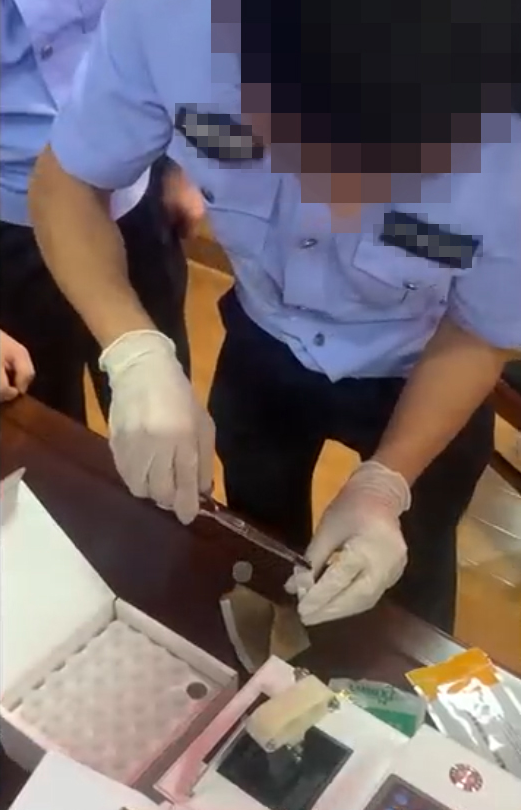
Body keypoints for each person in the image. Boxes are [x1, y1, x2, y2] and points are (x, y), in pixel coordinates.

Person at [29, 0, 520, 631]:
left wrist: (386, 482)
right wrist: (133, 350)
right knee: (254, 554)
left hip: (425, 365)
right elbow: (67, 184)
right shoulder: (172, 19)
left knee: (406, 600)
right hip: (262, 337)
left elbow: (483, 327)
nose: (333, 203)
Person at [0, 0, 192, 423]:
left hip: (136, 191)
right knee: (46, 427)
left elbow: (170, 33)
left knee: (165, 411)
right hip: (10, 226)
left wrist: (185, 160)